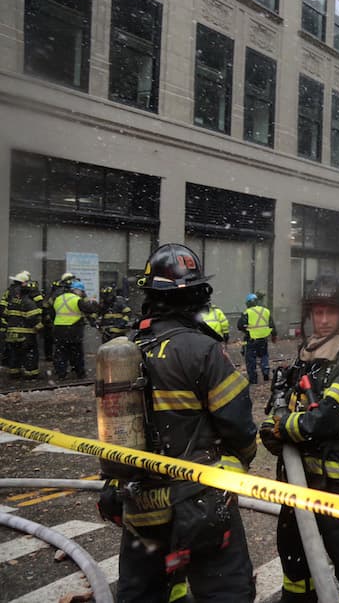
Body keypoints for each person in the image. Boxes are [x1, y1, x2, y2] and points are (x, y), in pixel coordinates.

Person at [99, 243, 257, 601]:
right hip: (200, 502)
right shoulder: (202, 351)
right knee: (225, 589)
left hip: (139, 504)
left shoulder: (125, 349)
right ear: (197, 294)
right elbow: (239, 427)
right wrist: (236, 463)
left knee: (142, 592)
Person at [259, 274, 339, 603]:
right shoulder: (308, 356)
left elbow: (331, 417)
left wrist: (285, 427)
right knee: (294, 556)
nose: (324, 320)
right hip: (299, 481)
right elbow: (286, 410)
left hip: (337, 483)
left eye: (331, 312)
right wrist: (274, 429)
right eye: (318, 312)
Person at [52, 280, 100, 380]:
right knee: (76, 353)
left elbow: (52, 312)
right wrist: (94, 303)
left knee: (61, 353)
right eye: (82, 291)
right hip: (73, 329)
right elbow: (90, 309)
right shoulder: (76, 299)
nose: (82, 293)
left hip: (58, 329)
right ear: (77, 290)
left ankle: (61, 373)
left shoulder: (58, 298)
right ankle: (80, 373)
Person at [2, 273, 42, 382]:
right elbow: (32, 318)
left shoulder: (11, 299)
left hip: (11, 334)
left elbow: (5, 314)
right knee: (30, 355)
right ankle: (31, 375)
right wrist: (41, 327)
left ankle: (14, 373)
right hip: (26, 334)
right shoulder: (28, 302)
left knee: (14, 355)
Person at [238, 292, 276, 384]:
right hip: (263, 338)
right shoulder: (266, 311)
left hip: (251, 339)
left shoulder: (247, 312)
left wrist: (247, 330)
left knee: (250, 359)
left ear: (247, 303)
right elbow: (272, 325)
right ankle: (265, 372)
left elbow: (239, 326)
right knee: (264, 355)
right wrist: (274, 334)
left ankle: (253, 379)